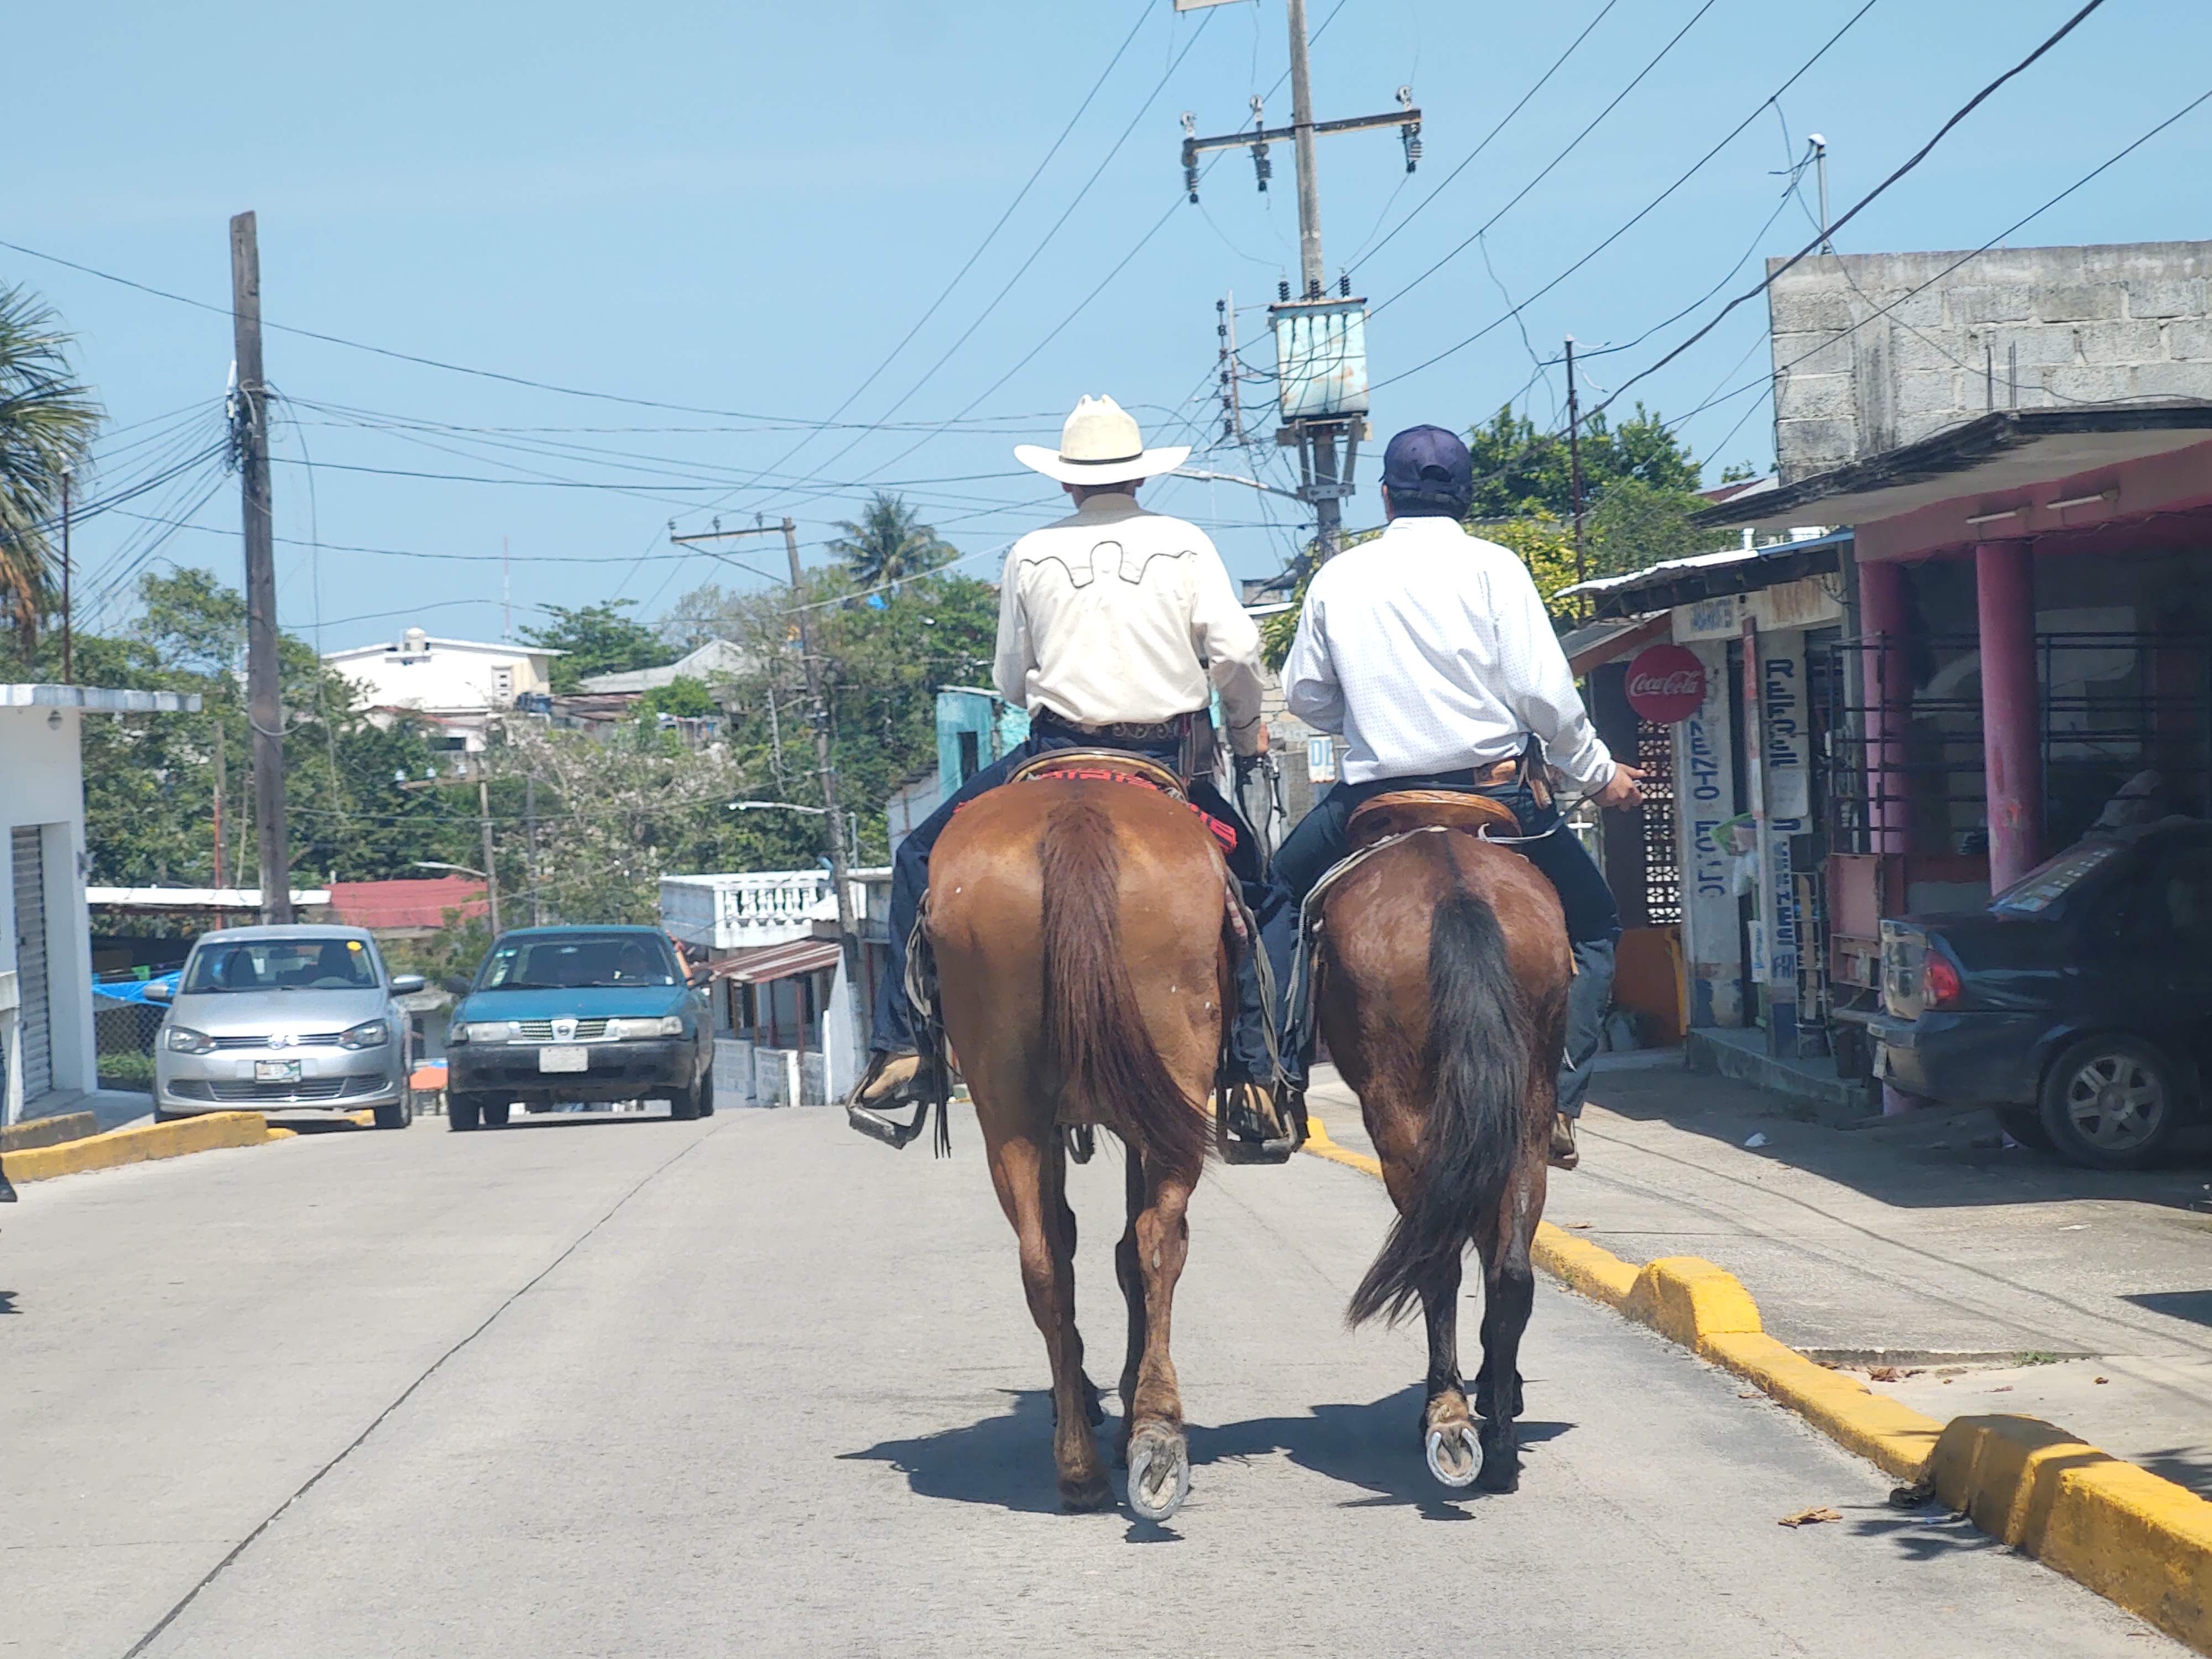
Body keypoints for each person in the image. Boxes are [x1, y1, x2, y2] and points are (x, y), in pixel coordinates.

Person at [847, 394, 1280, 1145]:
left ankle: (903, 1050)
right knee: (1263, 895)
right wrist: (1245, 732)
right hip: (1163, 759)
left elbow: (1012, 681)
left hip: (1053, 752)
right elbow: (1238, 655)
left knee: (919, 858)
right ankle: (1254, 1074)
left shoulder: (1030, 552)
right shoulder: (1187, 544)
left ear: (1066, 481)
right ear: (1140, 477)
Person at [1270, 424, 1644, 1170]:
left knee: (1275, 895)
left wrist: (1370, 717)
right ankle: (1562, 1104)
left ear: (1385, 495)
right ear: (1466, 498)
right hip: (1499, 800)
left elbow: (1304, 695)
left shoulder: (1340, 576)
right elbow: (1544, 693)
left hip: (1376, 800)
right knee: (1598, 926)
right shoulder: (1494, 569)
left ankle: (1276, 1079)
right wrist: (1601, 775)